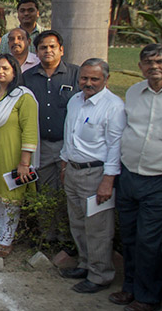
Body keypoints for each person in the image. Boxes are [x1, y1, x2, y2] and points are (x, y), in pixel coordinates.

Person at [109, 44, 162, 311]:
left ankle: (148, 296)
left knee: (148, 238)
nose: (154, 66)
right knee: (131, 236)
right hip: (129, 174)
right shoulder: (135, 92)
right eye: (147, 62)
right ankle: (131, 287)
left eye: (160, 61)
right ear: (140, 67)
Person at [59, 58, 125, 294]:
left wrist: (108, 181)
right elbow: (70, 135)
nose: (88, 83)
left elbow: (115, 146)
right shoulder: (76, 100)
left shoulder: (113, 106)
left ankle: (100, 275)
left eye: (94, 79)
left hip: (96, 174)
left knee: (98, 228)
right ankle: (85, 264)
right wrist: (65, 165)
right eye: (84, 78)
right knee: (77, 223)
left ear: (106, 80)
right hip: (74, 171)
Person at [0, 54, 39, 257]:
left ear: (14, 72)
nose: (0, 72)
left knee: (11, 199)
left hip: (12, 156)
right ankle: (3, 236)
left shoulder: (22, 96)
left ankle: (6, 242)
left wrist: (24, 163)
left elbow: (29, 131)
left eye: (5, 69)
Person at [23, 30, 79, 189]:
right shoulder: (28, 77)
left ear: (61, 49)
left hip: (68, 144)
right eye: (43, 47)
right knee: (45, 191)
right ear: (36, 52)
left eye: (52, 46)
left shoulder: (76, 74)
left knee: (69, 190)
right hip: (41, 146)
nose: (48, 50)